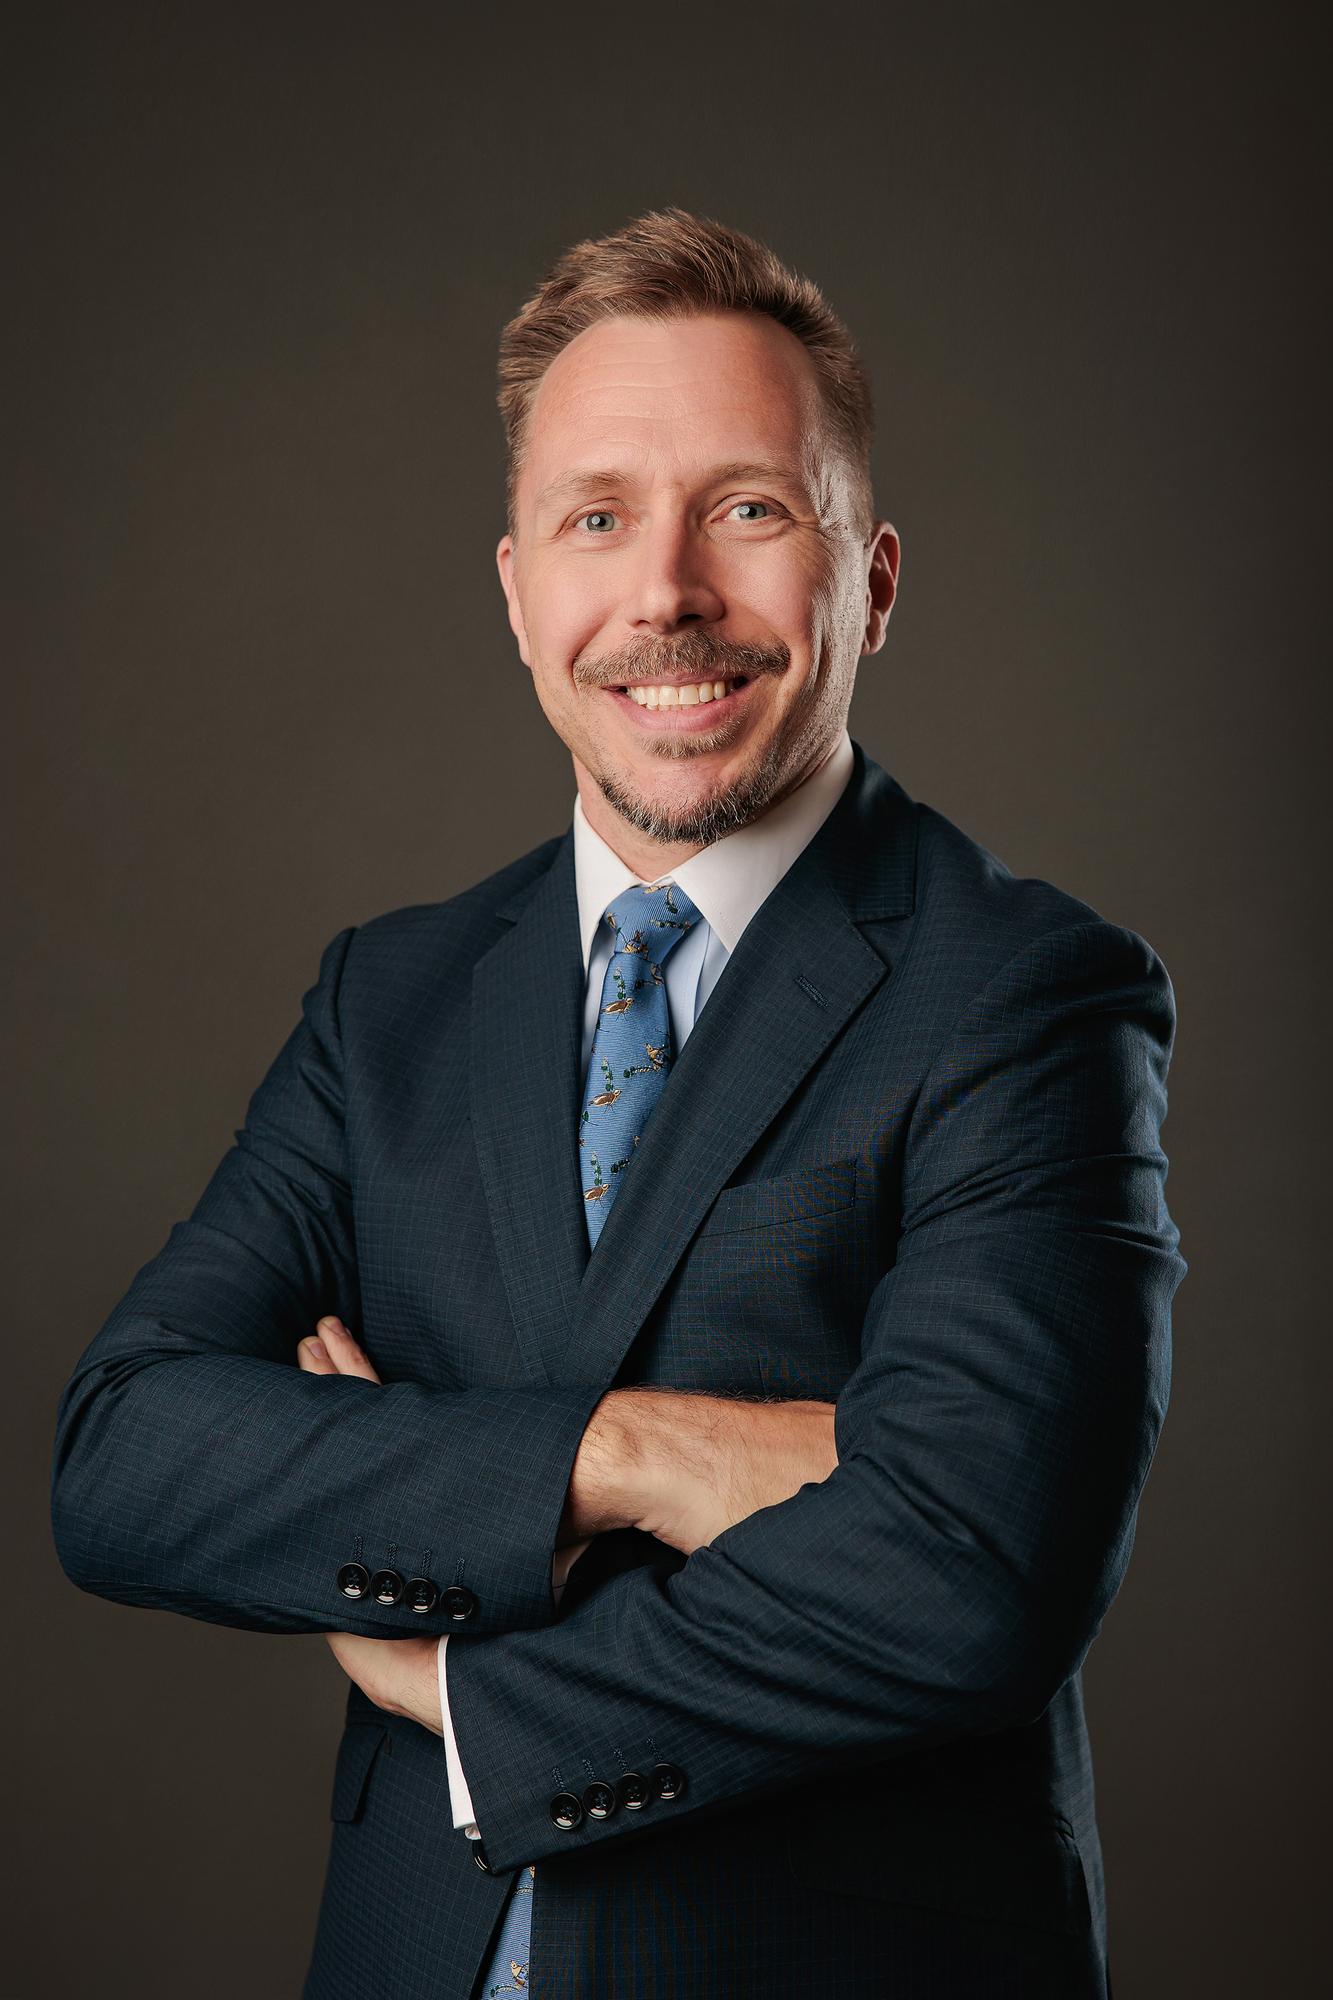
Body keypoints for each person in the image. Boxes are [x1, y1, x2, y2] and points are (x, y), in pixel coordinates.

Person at [50, 206, 1186, 2000]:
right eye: (596, 518)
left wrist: (463, 1680)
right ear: (517, 594)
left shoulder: (1025, 991)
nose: (663, 591)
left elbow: (969, 1570)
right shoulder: (391, 998)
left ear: (867, 582)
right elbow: (121, 1461)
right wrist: (633, 1456)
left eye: (745, 507)